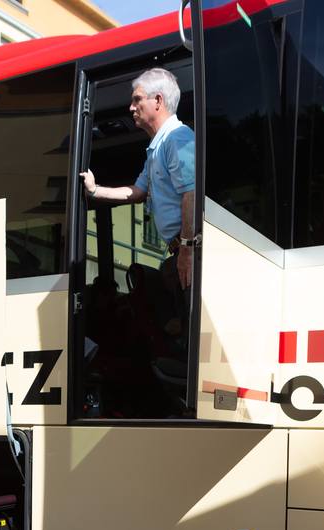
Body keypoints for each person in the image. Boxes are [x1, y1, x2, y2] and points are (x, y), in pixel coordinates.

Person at [79, 67, 196, 341]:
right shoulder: (158, 146)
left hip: (190, 251)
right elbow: (137, 191)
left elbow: (191, 193)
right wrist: (95, 191)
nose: (131, 107)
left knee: (190, 341)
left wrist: (187, 251)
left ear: (158, 100)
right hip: (181, 250)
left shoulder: (176, 138)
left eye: (137, 100)